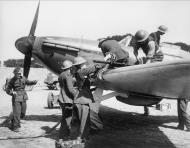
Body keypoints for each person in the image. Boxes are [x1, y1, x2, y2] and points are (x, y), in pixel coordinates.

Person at [72, 57, 103, 140]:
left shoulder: (81, 73)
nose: (85, 65)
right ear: (80, 65)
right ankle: (81, 137)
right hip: (82, 100)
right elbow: (89, 70)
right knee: (84, 120)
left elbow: (89, 80)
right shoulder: (80, 72)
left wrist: (96, 70)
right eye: (83, 64)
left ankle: (83, 136)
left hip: (83, 99)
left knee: (85, 120)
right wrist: (96, 65)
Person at [5, 67, 37, 132]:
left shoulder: (23, 78)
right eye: (18, 73)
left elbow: (28, 82)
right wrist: (12, 92)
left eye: (20, 73)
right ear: (14, 73)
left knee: (23, 113)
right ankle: (15, 126)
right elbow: (7, 89)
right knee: (17, 113)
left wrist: (34, 82)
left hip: (24, 97)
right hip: (16, 97)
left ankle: (14, 120)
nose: (19, 75)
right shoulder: (12, 80)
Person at [58, 60, 78, 140]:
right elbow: (70, 90)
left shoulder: (61, 75)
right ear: (70, 67)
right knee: (67, 120)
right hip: (67, 100)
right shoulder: (68, 75)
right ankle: (64, 136)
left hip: (62, 98)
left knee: (64, 118)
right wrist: (77, 96)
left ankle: (63, 134)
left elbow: (63, 86)